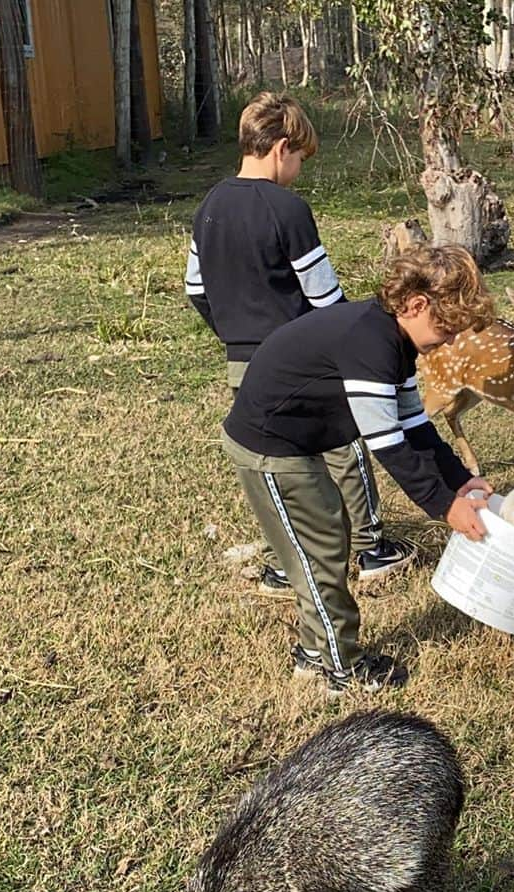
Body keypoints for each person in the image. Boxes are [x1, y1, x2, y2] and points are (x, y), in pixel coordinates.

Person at [222, 243, 495, 693]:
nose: (449, 341)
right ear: (416, 304)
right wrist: (445, 507)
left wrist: (461, 481)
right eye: (447, 328)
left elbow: (415, 427)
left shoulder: (395, 343)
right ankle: (340, 666)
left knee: (328, 540)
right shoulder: (369, 343)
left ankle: (315, 654)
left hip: (298, 441)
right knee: (321, 553)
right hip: (270, 445)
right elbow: (387, 444)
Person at [184, 91, 414, 589]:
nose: (300, 171)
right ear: (281, 147)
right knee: (345, 446)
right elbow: (325, 297)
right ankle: (372, 548)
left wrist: (233, 333)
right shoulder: (287, 210)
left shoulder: (209, 205)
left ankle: (280, 563)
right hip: (304, 358)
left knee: (271, 459)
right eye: (301, 159)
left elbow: (195, 289)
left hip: (242, 364)